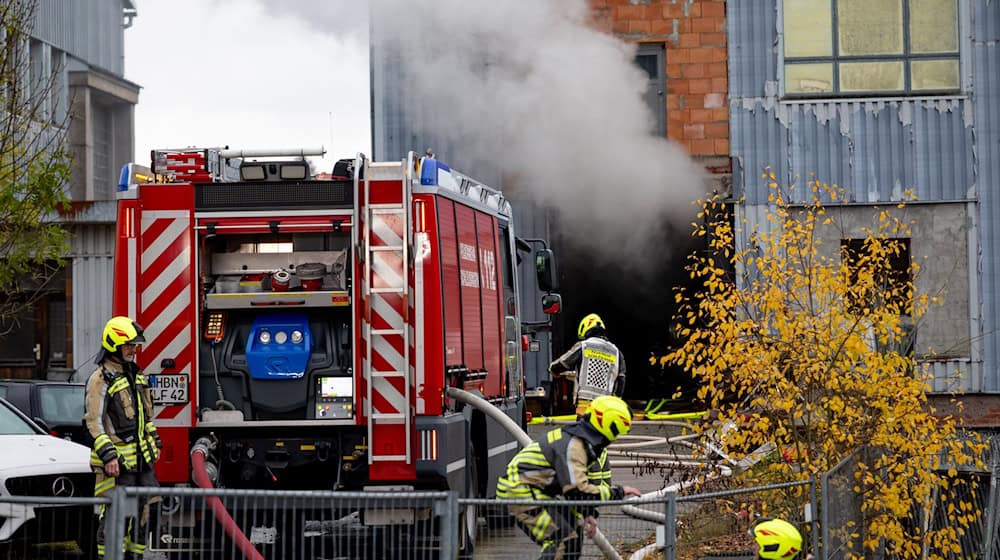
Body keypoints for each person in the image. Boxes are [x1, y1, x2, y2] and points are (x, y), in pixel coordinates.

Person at [497, 395, 641, 560]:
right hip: (520, 492)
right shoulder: (575, 446)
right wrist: (619, 492)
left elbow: (571, 487)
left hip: (534, 490)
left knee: (572, 534)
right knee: (562, 539)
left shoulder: (578, 440)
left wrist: (587, 514)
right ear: (611, 426)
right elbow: (577, 491)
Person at [83, 316, 162, 559]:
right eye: (128, 345)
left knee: (148, 512)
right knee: (117, 517)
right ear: (114, 345)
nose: (133, 349)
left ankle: (134, 556)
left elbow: (145, 417)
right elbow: (93, 422)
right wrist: (108, 456)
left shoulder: (136, 376)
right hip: (116, 466)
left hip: (141, 463)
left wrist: (154, 440)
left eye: (135, 345)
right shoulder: (100, 379)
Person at [549, 313, 626, 415]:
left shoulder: (584, 346)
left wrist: (553, 369)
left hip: (584, 402)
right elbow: (621, 380)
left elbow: (563, 363)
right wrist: (615, 401)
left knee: (584, 429)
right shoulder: (616, 351)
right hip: (605, 405)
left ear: (585, 330)